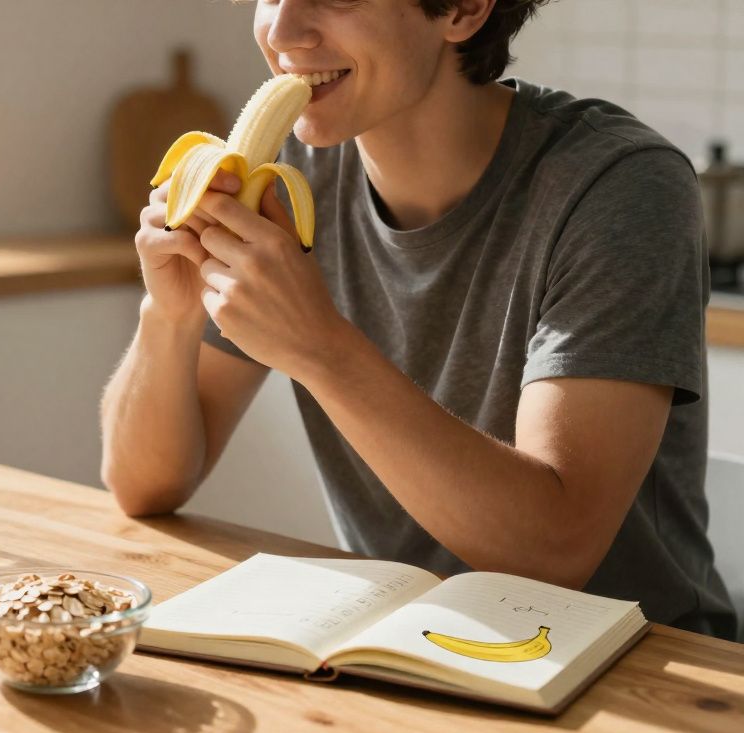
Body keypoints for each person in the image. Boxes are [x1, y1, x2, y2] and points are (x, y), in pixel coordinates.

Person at [99, 0, 737, 639]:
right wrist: (171, 312)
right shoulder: (289, 178)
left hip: (635, 666)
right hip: (405, 646)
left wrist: (320, 348)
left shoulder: (618, 185)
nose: (282, 30)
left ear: (461, 10)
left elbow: (555, 553)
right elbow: (143, 487)